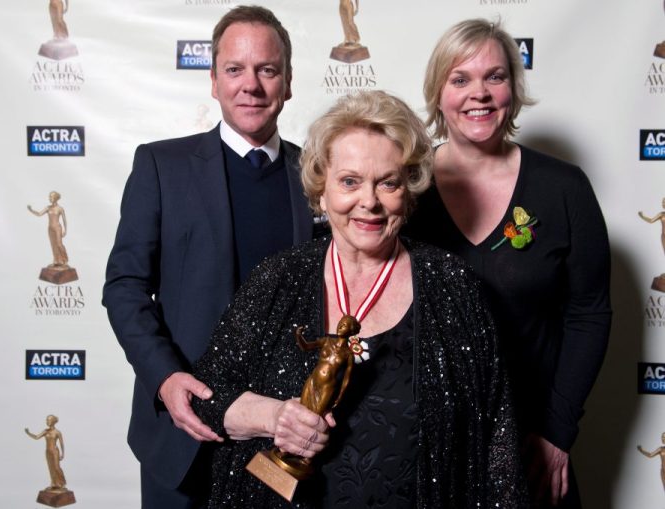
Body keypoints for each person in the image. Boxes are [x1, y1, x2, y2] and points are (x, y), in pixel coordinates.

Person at [191, 90, 527, 508]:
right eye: (349, 181)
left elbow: (498, 441)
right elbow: (205, 397)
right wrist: (274, 417)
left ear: (408, 190)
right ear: (322, 190)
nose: (368, 201)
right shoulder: (278, 278)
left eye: (388, 182)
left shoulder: (453, 285)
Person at [102, 6, 313, 508]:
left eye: (267, 69)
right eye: (235, 69)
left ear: (287, 82)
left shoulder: (318, 176)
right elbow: (125, 286)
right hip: (187, 433)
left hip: (288, 438)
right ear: (213, 81)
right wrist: (166, 379)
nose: (251, 85)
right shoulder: (160, 165)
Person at [404, 18, 611, 508]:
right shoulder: (403, 188)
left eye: (495, 77)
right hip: (427, 444)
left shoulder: (564, 188)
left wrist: (558, 435)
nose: (479, 93)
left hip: (531, 441)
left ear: (513, 91)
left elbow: (590, 314)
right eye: (460, 79)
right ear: (438, 93)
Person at [25, 415, 69, 491]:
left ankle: (62, 483)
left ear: (54, 421)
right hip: (48, 451)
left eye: (49, 420)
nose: (47, 421)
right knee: (51, 468)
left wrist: (63, 454)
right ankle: (54, 484)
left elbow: (61, 443)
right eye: (46, 420)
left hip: (55, 451)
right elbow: (36, 437)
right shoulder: (45, 431)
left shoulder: (57, 432)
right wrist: (28, 433)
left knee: (57, 467)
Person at [28, 191, 69, 268]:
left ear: (56, 198)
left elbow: (64, 220)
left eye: (51, 197)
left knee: (59, 245)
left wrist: (65, 230)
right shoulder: (48, 207)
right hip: (50, 228)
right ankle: (56, 261)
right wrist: (31, 210)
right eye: (49, 197)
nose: (49, 198)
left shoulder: (60, 209)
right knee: (53, 245)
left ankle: (64, 260)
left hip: (57, 228)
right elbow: (39, 214)